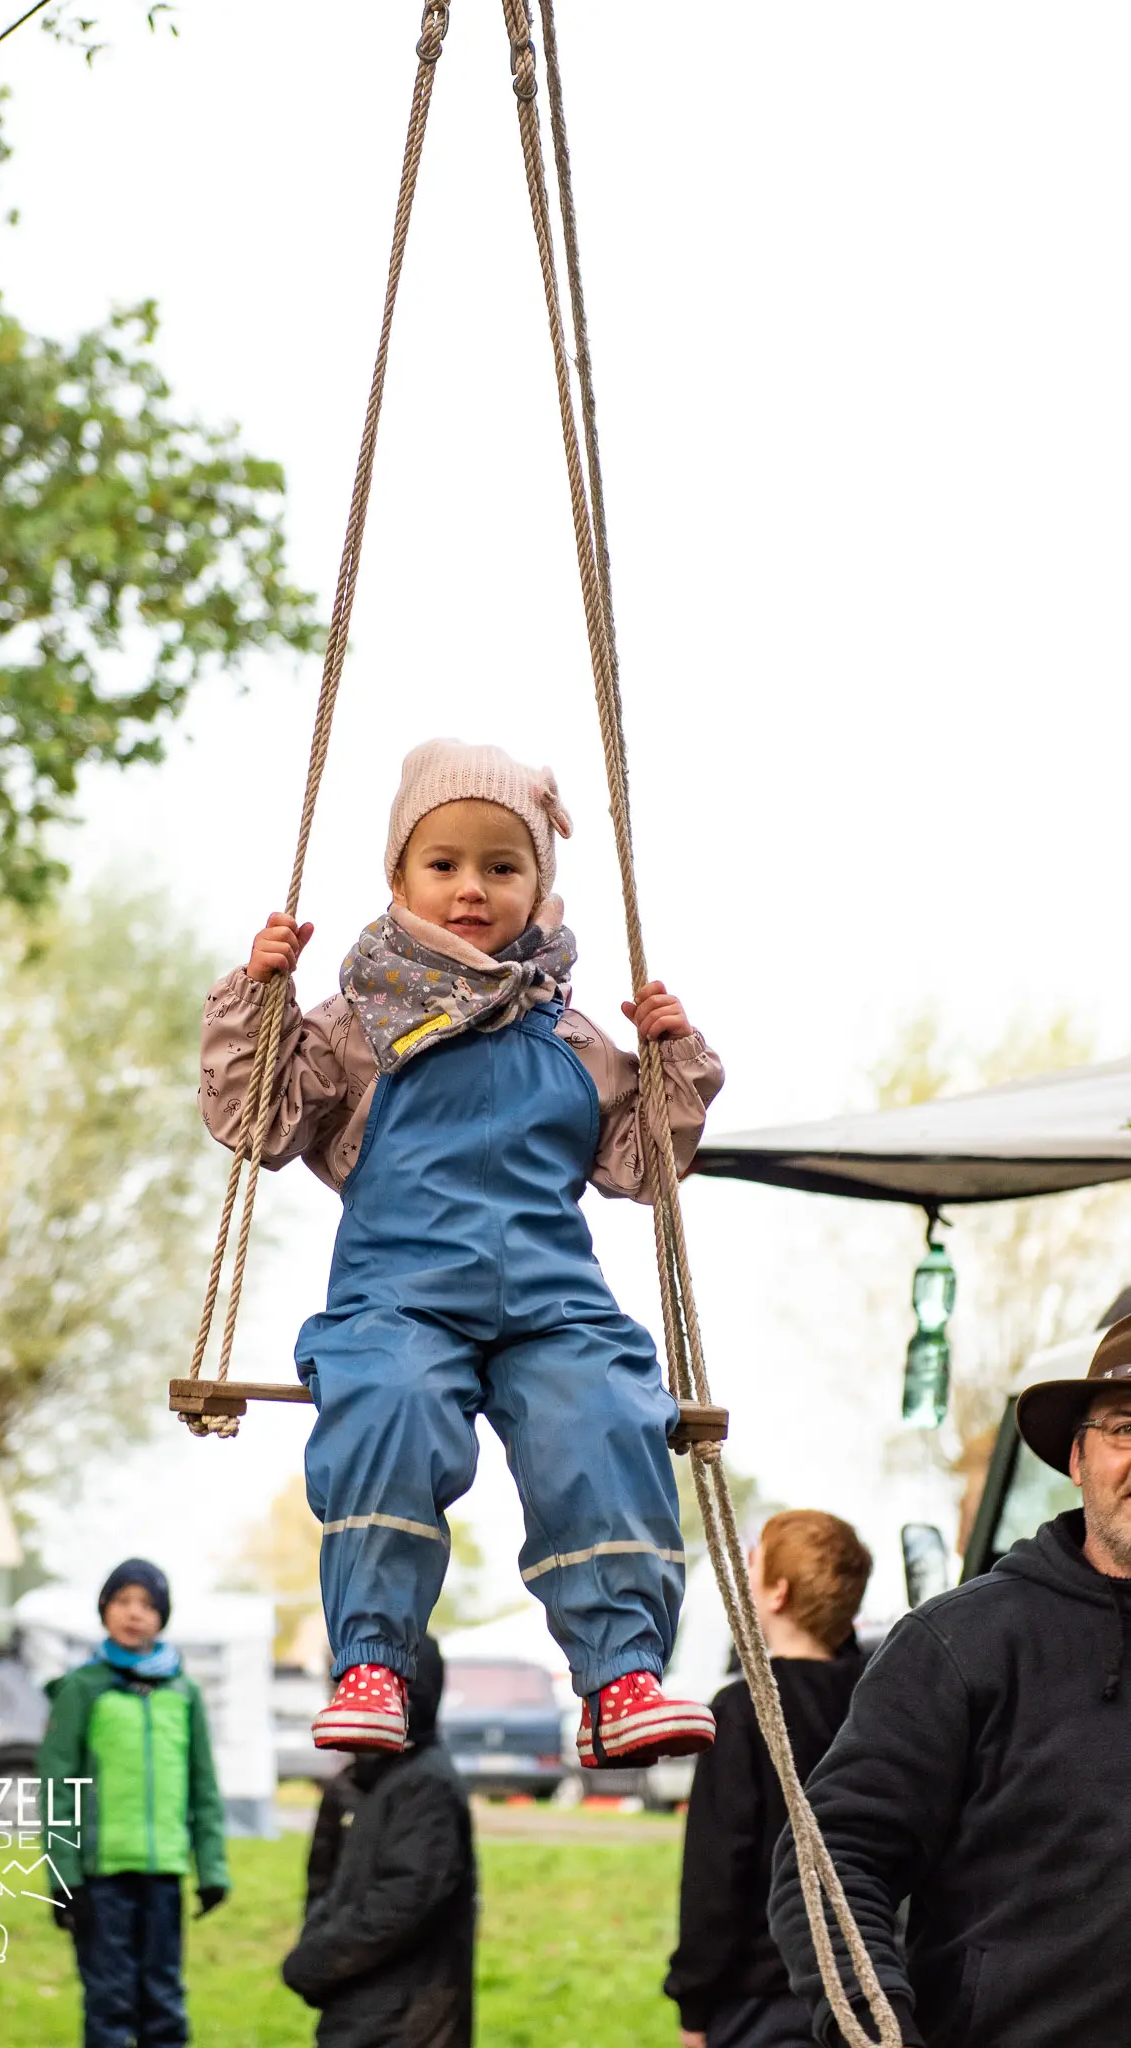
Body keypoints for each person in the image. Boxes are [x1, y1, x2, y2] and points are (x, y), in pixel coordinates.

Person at [201, 740, 724, 1768]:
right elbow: (259, 1119)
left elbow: (638, 1166)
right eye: (443, 864)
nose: (471, 888)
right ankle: (373, 1662)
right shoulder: (358, 1025)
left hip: (552, 1303)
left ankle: (620, 1674)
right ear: (399, 880)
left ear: (538, 885)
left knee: (607, 1414)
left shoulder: (572, 1036)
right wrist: (258, 1002)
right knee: (387, 1405)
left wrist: (672, 1065)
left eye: (501, 865)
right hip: (400, 1298)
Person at [769, 1312, 1131, 2048]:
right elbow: (833, 1861)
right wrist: (877, 2032)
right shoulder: (961, 1643)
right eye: (1127, 1428)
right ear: (1077, 1458)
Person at [666, 1511, 872, 2048]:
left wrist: (694, 2001)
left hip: (763, 2000)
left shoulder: (743, 1711)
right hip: (872, 1987)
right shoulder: (876, 1705)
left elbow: (716, 1872)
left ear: (778, 1593)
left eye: (753, 1563)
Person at [38, 1559, 229, 2048]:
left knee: (162, 1998)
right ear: (105, 1610)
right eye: (122, 1601)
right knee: (110, 2000)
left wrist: (212, 1869)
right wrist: (64, 1878)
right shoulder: (82, 1688)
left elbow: (203, 1786)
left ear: (162, 1616)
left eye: (147, 1604)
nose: (134, 1613)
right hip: (100, 1877)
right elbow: (58, 1786)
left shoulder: (183, 1693)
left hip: (163, 1872)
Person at [282, 1637, 474, 2048]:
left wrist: (316, 1961)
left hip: (407, 2022)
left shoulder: (427, 1786)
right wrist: (316, 1941)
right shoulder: (354, 1783)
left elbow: (402, 1902)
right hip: (355, 2007)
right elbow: (324, 1884)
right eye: (340, 1683)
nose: (343, 1695)